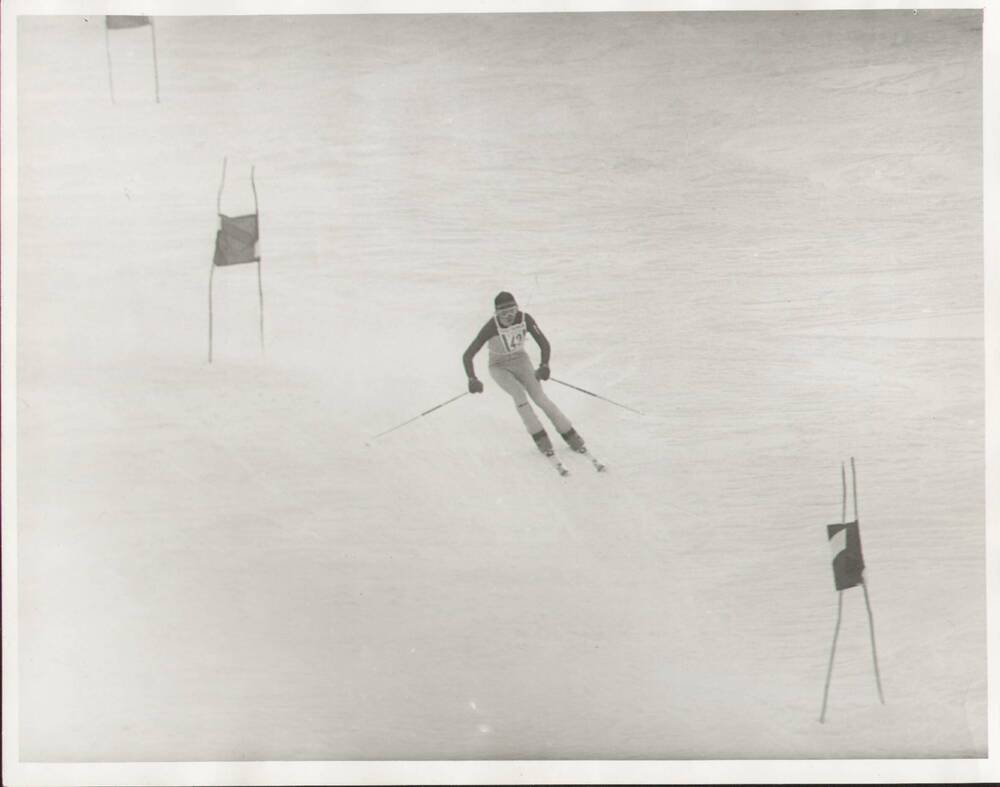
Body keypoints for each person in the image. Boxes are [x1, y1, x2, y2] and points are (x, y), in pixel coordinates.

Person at [462, 291, 589, 461]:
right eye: (503, 313)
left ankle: (571, 435)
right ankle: (541, 438)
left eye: (512, 311)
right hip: (499, 366)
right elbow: (468, 355)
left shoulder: (524, 319)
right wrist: (472, 378)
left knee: (540, 398)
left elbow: (544, 343)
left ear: (517, 309)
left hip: (521, 361)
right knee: (519, 395)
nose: (508, 316)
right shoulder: (491, 326)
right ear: (496, 313)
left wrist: (544, 365)